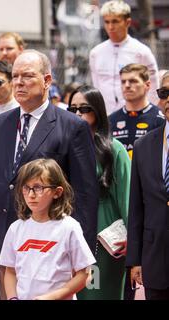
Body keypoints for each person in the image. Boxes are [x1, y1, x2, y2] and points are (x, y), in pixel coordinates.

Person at [0, 50, 98, 299]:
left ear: (47, 81)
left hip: (50, 243)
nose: (19, 82)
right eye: (15, 76)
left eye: (27, 76)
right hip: (2, 236)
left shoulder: (73, 126)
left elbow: (85, 194)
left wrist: (80, 256)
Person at [0, 158, 95, 300]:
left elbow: (85, 273)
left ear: (57, 192)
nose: (31, 195)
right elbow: (10, 271)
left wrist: (53, 297)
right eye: (26, 188)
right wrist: (13, 298)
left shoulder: (69, 227)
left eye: (38, 188)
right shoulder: (15, 228)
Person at [68, 85, 131, 300]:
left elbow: (127, 197)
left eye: (84, 108)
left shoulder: (114, 149)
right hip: (71, 231)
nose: (77, 114)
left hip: (105, 235)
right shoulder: (65, 147)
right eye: (72, 109)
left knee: (100, 293)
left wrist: (133, 238)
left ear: (97, 111)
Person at [126, 71, 169, 300]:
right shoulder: (143, 146)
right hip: (155, 261)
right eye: (165, 93)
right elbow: (136, 207)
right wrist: (135, 259)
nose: (168, 99)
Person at [89, 0, 159, 115]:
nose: (110, 27)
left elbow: (154, 87)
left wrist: (148, 114)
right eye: (107, 22)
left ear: (127, 22)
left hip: (137, 115)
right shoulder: (96, 53)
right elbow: (96, 86)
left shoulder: (142, 51)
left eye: (115, 21)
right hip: (106, 116)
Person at [109, 64, 165, 159]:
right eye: (123, 82)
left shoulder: (161, 119)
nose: (127, 85)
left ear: (147, 85)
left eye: (133, 81)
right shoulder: (110, 120)